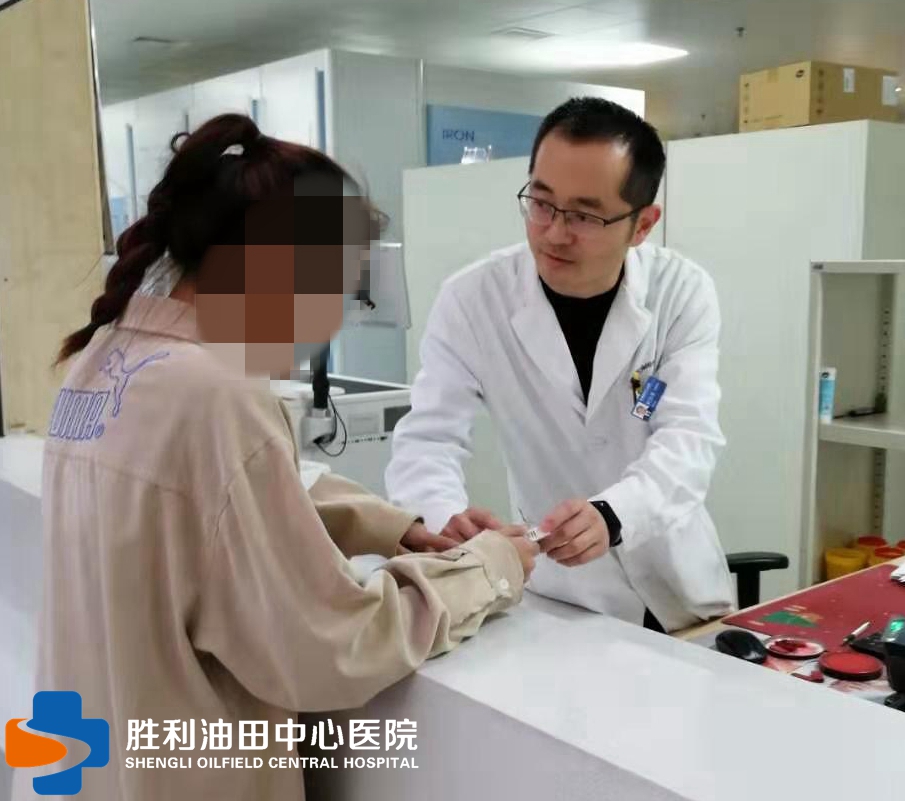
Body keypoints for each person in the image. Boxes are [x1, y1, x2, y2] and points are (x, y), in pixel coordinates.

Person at [16, 114, 537, 801]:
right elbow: (330, 646)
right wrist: (487, 571)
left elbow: (211, 498)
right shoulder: (216, 395)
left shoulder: (105, 359)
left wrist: (394, 525)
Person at [385, 97, 733, 634]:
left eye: (585, 216)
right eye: (542, 203)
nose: (553, 232)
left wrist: (614, 514)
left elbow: (689, 439)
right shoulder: (474, 299)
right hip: (566, 594)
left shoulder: (680, 293)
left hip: (681, 586)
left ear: (643, 224)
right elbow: (428, 439)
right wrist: (444, 517)